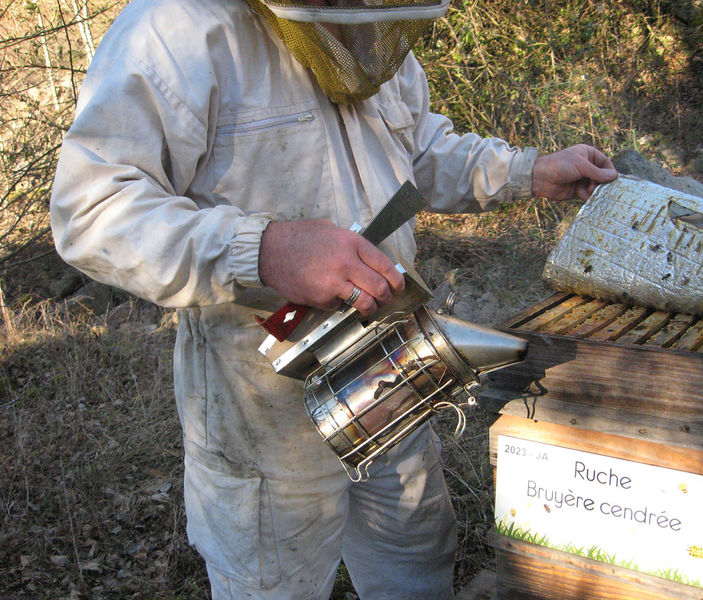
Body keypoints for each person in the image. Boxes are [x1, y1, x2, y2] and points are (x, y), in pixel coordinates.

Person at [49, 0, 617, 598]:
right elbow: (91, 209)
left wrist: (528, 170)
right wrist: (264, 249)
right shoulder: (177, 28)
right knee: (277, 581)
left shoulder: (367, 23)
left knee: (417, 552)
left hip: (396, 354)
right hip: (263, 387)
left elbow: (417, 152)